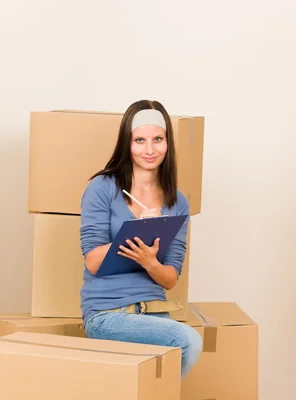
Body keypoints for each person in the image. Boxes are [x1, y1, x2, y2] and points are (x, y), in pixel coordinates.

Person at [79, 99, 203, 378]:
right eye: (140, 140)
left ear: (168, 142)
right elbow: (93, 262)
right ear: (127, 143)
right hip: (108, 314)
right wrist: (135, 230)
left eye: (157, 139)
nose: (149, 150)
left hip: (155, 314)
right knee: (189, 341)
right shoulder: (102, 188)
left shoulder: (177, 202)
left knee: (153, 381)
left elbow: (170, 279)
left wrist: (150, 261)